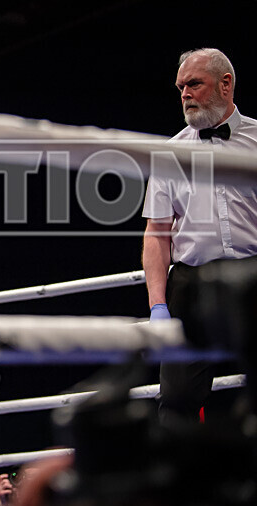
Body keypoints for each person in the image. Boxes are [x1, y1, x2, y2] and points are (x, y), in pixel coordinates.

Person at [142, 48, 257, 425]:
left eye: (194, 84)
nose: (185, 95)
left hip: (252, 274)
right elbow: (157, 234)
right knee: (176, 401)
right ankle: (186, 483)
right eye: (180, 88)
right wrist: (157, 304)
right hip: (193, 282)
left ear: (226, 84)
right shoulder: (170, 153)